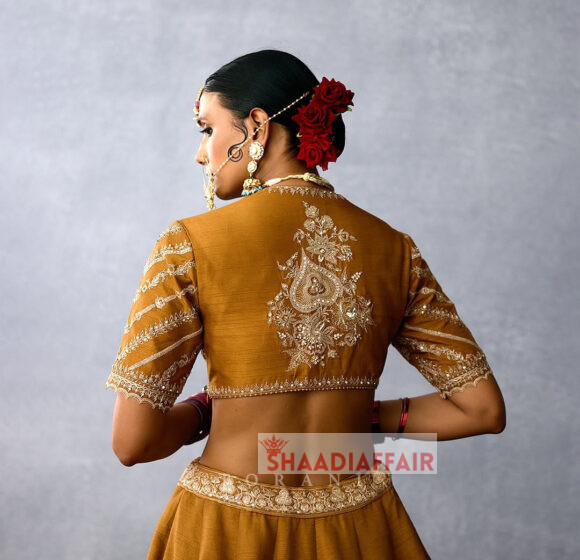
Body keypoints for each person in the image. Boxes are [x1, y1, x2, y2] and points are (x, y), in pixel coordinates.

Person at [105, 49, 506, 559]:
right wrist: (359, 422)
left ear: (256, 127)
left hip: (229, 529)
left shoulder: (188, 245)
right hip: (362, 531)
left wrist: (206, 411)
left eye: (207, 129)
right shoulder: (392, 249)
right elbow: (482, 411)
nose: (201, 154)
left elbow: (133, 443)